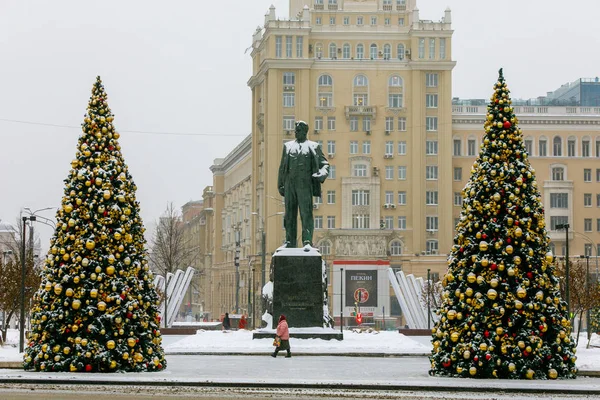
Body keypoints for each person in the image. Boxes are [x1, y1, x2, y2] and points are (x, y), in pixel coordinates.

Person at [277, 121, 329, 247]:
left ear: (305, 132)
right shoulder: (288, 146)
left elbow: (324, 164)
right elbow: (282, 167)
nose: (296, 133)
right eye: (295, 130)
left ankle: (307, 241)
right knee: (289, 214)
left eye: (298, 131)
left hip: (305, 185)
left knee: (306, 214)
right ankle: (290, 241)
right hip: (290, 184)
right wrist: (280, 184)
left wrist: (322, 174)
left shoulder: (314, 146)